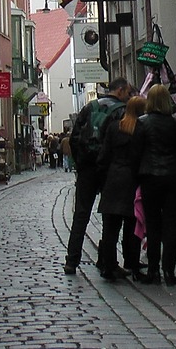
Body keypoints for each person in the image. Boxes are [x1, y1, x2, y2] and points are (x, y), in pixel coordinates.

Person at [63, 77, 131, 275]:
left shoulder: (89, 107)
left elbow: (74, 137)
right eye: (127, 92)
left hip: (86, 169)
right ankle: (106, 262)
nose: (128, 96)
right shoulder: (120, 110)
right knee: (110, 217)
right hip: (108, 170)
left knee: (81, 215)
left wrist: (81, 163)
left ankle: (71, 260)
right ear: (119, 91)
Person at [131, 83, 176, 286]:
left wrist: (137, 177)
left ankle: (153, 271)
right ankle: (169, 272)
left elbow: (136, 153)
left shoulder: (142, 123)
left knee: (153, 226)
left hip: (150, 178)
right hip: (172, 178)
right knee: (170, 225)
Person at [98, 95, 147, 281]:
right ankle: (132, 263)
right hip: (131, 181)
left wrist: (103, 181)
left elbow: (104, 156)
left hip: (113, 180)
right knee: (131, 227)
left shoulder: (114, 127)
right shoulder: (141, 130)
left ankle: (109, 266)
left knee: (110, 228)